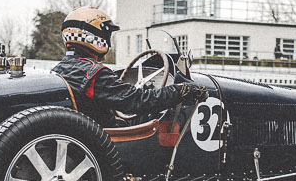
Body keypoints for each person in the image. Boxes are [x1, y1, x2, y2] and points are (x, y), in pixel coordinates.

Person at [51, 7, 208, 126]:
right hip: (103, 140)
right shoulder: (95, 74)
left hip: (85, 132)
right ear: (93, 37)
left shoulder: (58, 70)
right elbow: (137, 100)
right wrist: (180, 91)